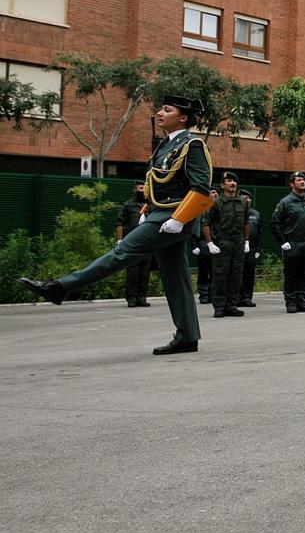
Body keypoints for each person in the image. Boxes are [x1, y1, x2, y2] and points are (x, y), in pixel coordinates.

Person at [20, 96, 213, 355]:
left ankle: (60, 288)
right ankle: (188, 337)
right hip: (160, 215)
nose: (159, 113)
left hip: (174, 217)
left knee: (121, 253)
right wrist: (146, 210)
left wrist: (179, 220)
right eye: (161, 109)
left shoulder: (192, 144)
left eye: (167, 110)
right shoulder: (165, 145)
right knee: (176, 278)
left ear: (184, 117)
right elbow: (158, 184)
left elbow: (201, 187)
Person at [202, 170, 249, 318]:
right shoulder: (215, 203)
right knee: (220, 275)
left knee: (236, 275)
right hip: (222, 242)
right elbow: (206, 223)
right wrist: (209, 243)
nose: (233, 183)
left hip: (238, 242)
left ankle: (231, 305)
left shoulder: (243, 202)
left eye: (234, 181)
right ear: (222, 185)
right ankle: (219, 306)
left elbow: (247, 223)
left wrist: (246, 240)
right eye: (229, 181)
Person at [271, 172, 305, 313]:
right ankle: (290, 301)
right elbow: (275, 223)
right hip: (292, 243)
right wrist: (282, 241)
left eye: (304, 179)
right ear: (292, 184)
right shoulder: (285, 202)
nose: (303, 181)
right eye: (299, 180)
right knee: (291, 274)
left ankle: (301, 300)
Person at [115, 183, 152, 308]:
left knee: (145, 271)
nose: (141, 190)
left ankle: (142, 298)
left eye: (143, 188)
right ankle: (131, 298)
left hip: (147, 242)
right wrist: (120, 241)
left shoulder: (150, 205)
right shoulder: (128, 205)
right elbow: (120, 223)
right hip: (132, 242)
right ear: (134, 190)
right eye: (139, 188)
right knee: (132, 271)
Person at [239, 190, 260, 307]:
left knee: (249, 274)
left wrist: (258, 249)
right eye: (244, 198)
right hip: (237, 247)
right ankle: (236, 298)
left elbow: (259, 232)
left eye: (249, 198)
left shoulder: (256, 214)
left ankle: (247, 298)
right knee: (237, 274)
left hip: (251, 248)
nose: (247, 200)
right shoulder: (235, 212)